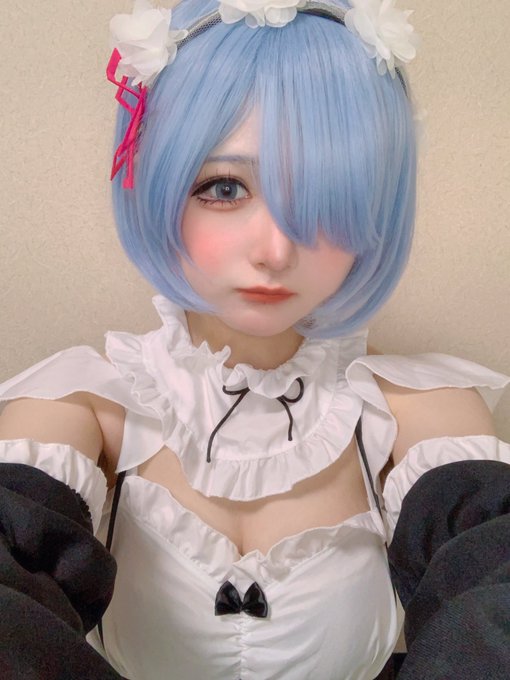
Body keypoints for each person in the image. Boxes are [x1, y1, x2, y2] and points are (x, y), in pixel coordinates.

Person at [0, 1, 508, 678]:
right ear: (156, 180)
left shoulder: (422, 413)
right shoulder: (80, 408)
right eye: (223, 187)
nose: (274, 250)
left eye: (322, 195)